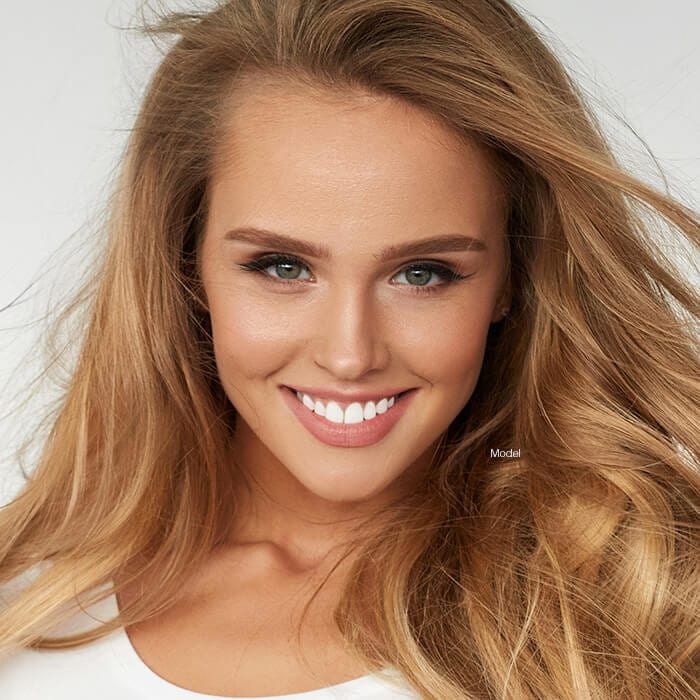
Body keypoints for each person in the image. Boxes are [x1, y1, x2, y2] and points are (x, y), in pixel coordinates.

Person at [0, 0, 698, 698]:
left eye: (422, 274)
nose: (349, 355)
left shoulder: (640, 612)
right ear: (186, 265)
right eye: (282, 267)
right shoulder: (23, 605)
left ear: (512, 281)